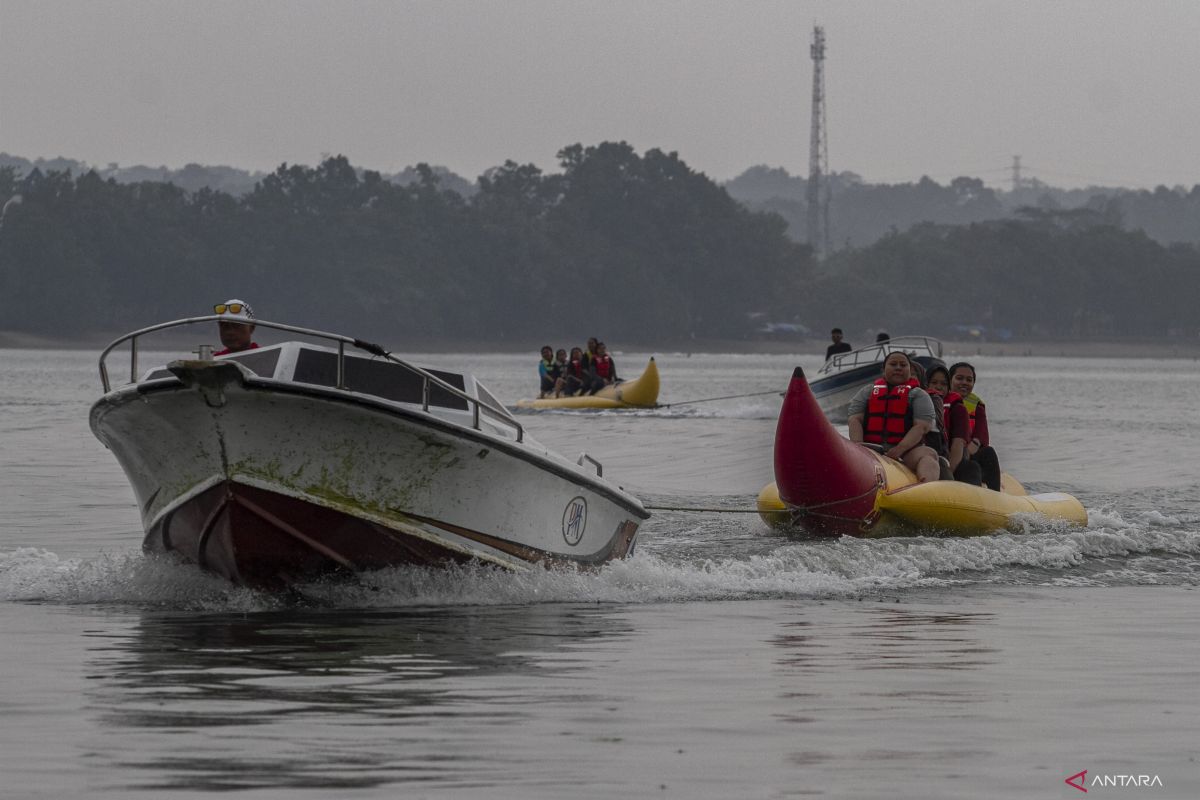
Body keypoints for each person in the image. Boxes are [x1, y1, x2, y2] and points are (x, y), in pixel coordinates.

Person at [848, 351, 941, 483]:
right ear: (884, 369)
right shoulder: (867, 392)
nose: (898, 368)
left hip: (905, 454)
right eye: (893, 364)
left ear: (909, 370)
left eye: (903, 365)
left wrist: (899, 449)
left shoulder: (918, 395)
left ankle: (926, 489)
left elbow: (922, 427)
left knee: (929, 454)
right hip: (869, 450)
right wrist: (859, 449)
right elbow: (854, 420)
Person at [948, 361, 1002, 491]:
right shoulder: (940, 399)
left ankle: (995, 493)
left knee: (988, 452)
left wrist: (975, 444)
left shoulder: (977, 404)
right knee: (971, 467)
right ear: (950, 380)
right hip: (947, 451)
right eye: (959, 378)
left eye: (969, 380)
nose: (964, 383)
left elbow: (982, 434)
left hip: (969, 453)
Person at [926, 365, 983, 486]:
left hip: (952, 457)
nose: (938, 387)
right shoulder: (916, 400)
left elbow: (959, 444)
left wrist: (949, 472)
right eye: (933, 382)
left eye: (943, 384)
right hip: (924, 454)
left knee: (974, 465)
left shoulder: (958, 408)